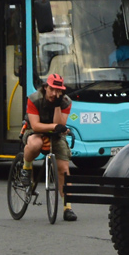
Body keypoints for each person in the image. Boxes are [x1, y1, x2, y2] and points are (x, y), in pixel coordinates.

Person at [23, 72, 76, 222]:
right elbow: (35, 125)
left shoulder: (65, 102)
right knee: (36, 144)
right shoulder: (34, 99)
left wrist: (58, 106)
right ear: (45, 87)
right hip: (35, 131)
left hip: (55, 134)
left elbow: (60, 125)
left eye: (59, 91)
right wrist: (55, 126)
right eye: (52, 89)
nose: (55, 93)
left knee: (63, 169)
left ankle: (68, 207)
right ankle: (26, 168)